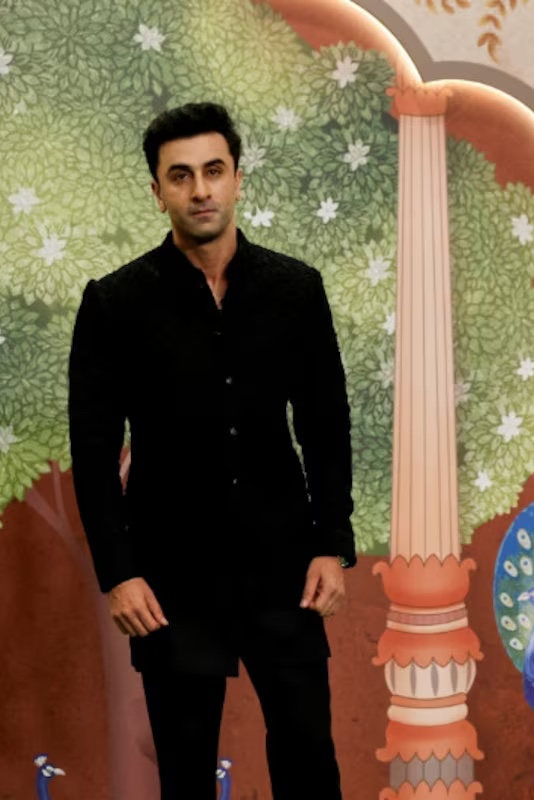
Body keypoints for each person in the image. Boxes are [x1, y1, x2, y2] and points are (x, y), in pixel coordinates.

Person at [67, 102, 356, 799]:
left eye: (214, 171)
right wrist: (119, 574)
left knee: (309, 760)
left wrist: (331, 545)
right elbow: (94, 451)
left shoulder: (296, 290)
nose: (200, 190)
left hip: (285, 566)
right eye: (181, 176)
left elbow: (325, 425)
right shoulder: (114, 304)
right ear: (157, 190)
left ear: (237, 180)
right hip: (171, 578)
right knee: (186, 773)